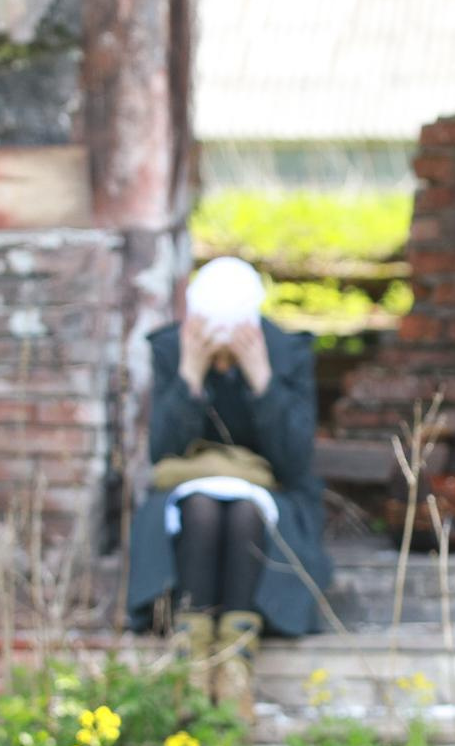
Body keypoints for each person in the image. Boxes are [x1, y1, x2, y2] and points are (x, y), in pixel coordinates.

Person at [125, 257, 333, 714]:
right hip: (185, 494)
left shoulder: (287, 352)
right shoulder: (171, 348)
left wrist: (262, 380)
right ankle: (192, 660)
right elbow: (163, 451)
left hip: (271, 495)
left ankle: (236, 663)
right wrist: (190, 376)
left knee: (243, 511)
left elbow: (295, 460)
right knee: (201, 506)